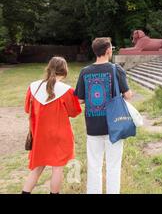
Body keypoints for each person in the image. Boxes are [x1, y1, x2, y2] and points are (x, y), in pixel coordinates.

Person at [74, 37, 133, 194]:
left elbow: (79, 99)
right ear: (108, 50)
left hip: (93, 126)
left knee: (94, 166)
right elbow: (128, 95)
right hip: (114, 125)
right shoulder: (116, 69)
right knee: (113, 166)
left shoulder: (84, 72)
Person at [22, 57, 82, 194]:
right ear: (65, 71)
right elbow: (74, 112)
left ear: (48, 68)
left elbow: (27, 109)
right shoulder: (67, 90)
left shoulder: (33, 87)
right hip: (60, 135)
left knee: (37, 168)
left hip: (39, 135)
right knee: (57, 168)